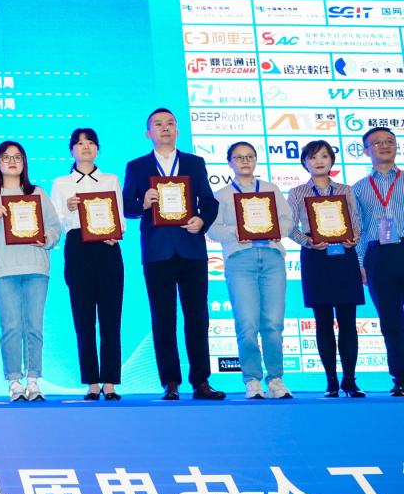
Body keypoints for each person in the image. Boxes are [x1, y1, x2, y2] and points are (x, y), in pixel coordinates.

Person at [122, 108, 224, 401]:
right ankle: (170, 382)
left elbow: (209, 202)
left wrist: (202, 220)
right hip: (157, 253)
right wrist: (143, 203)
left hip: (192, 250)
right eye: (158, 124)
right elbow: (126, 207)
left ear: (177, 130)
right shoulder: (137, 166)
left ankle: (201, 381)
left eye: (170, 123)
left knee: (197, 318)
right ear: (149, 133)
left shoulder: (194, 162)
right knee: (163, 319)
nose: (165, 127)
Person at [0, 141, 62, 402]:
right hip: (3, 270)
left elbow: (55, 228)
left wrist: (46, 239)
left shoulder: (38, 193)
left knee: (34, 326)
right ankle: (14, 382)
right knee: (10, 326)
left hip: (35, 267)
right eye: (6, 157)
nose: (12, 161)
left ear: (24, 163)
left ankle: (33, 381)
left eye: (18, 157)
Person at [207, 142, 295, 400]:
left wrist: (277, 230)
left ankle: (276, 380)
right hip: (240, 259)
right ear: (229, 162)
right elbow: (212, 229)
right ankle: (252, 380)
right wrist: (236, 231)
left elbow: (288, 221)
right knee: (247, 323)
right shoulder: (222, 194)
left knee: (273, 324)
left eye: (250, 156)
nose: (245, 161)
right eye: (239, 157)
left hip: (272, 257)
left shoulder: (271, 189)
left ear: (256, 160)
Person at [49, 128, 125, 401]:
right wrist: (67, 209)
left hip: (108, 248)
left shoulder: (110, 179)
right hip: (78, 248)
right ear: (72, 150)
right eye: (79, 143)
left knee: (111, 318)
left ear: (97, 149)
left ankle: (110, 383)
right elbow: (53, 221)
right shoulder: (61, 183)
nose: (85, 147)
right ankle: (92, 383)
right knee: (83, 319)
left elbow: (120, 218)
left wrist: (116, 232)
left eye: (90, 142)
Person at [287, 139, 364, 397]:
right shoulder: (297, 192)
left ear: (331, 160)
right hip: (315, 256)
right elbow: (289, 226)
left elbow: (355, 220)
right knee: (322, 322)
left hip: (344, 254)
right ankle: (331, 381)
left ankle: (350, 380)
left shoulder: (346, 189)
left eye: (324, 156)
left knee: (348, 320)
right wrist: (307, 241)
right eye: (312, 157)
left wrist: (354, 236)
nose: (319, 161)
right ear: (305, 162)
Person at [352, 126, 404, 397]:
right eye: (377, 142)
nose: (385, 145)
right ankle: (401, 378)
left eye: (390, 141)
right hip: (378, 255)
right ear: (366, 151)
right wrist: (360, 262)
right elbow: (358, 229)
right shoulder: (358, 188)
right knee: (390, 320)